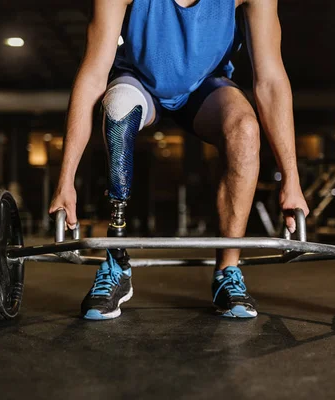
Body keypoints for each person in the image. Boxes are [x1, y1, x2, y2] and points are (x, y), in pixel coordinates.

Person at [49, 0, 309, 320]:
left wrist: (292, 180)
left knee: (245, 130)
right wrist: (66, 180)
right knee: (116, 109)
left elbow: (270, 80)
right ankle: (116, 260)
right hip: (138, 81)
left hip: (205, 86)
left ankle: (228, 271)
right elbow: (92, 75)